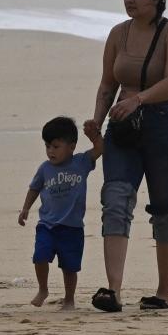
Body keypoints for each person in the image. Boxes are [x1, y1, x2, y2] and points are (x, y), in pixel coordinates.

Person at [88, 0, 168, 312]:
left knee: (165, 208)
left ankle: (163, 293)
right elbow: (107, 84)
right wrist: (96, 120)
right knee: (116, 199)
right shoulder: (118, 34)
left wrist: (138, 99)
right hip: (122, 129)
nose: (129, 0)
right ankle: (113, 290)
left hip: (166, 126)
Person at [17, 116, 104, 310]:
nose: (50, 152)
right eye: (47, 146)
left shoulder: (81, 162)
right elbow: (34, 188)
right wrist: (25, 208)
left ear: (71, 147)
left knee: (69, 267)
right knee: (39, 257)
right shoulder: (45, 169)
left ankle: (69, 299)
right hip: (47, 225)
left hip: (72, 228)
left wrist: (95, 136)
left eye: (56, 147)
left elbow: (100, 149)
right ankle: (43, 289)